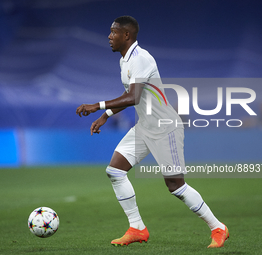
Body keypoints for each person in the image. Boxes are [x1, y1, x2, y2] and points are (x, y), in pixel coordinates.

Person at [76, 15, 229, 248]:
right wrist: (105, 116)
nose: (109, 36)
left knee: (175, 186)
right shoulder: (124, 61)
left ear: (126, 35)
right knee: (115, 171)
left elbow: (133, 96)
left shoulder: (141, 58)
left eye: (114, 32)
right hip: (145, 127)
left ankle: (218, 227)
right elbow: (131, 99)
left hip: (165, 128)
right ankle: (137, 228)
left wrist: (98, 105)